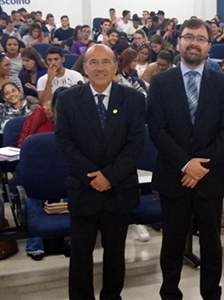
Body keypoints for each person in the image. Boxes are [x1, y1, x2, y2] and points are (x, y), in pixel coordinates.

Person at [147, 18, 224, 299]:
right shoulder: (160, 83)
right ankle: (170, 294)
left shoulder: (223, 83)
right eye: (188, 37)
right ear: (178, 42)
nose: (194, 43)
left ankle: (211, 294)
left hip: (210, 177)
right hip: (174, 175)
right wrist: (187, 164)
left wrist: (200, 166)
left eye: (200, 38)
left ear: (209, 45)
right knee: (172, 243)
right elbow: (157, 130)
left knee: (211, 243)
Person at [55, 44, 145, 300]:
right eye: (93, 62)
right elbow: (65, 142)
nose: (100, 67)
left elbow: (135, 144)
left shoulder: (134, 99)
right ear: (84, 67)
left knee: (115, 252)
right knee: (81, 253)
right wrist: (93, 176)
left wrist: (110, 176)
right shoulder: (69, 99)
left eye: (106, 62)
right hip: (84, 189)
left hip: (119, 189)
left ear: (115, 66)